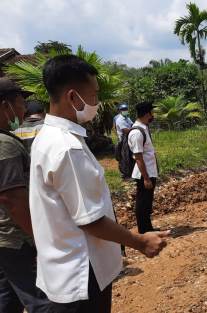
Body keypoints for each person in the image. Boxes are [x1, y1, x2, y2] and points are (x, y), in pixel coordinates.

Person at [29, 55, 169, 312]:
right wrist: (139, 241)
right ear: (73, 97)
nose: (97, 103)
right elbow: (90, 220)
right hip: (82, 276)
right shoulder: (67, 148)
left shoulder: (47, 137)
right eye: (93, 95)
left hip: (62, 272)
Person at [0, 78, 51, 312]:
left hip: (5, 238)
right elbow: (12, 198)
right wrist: (38, 238)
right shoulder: (5, 145)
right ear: (5, 106)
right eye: (20, 102)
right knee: (41, 300)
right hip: (16, 238)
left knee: (7, 299)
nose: (23, 109)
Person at [128, 101, 159, 234]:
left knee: (147, 202)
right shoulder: (137, 133)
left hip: (149, 171)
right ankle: (143, 230)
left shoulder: (144, 128)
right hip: (143, 173)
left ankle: (148, 228)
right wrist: (146, 178)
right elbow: (138, 157)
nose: (153, 115)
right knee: (142, 202)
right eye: (152, 112)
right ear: (147, 113)